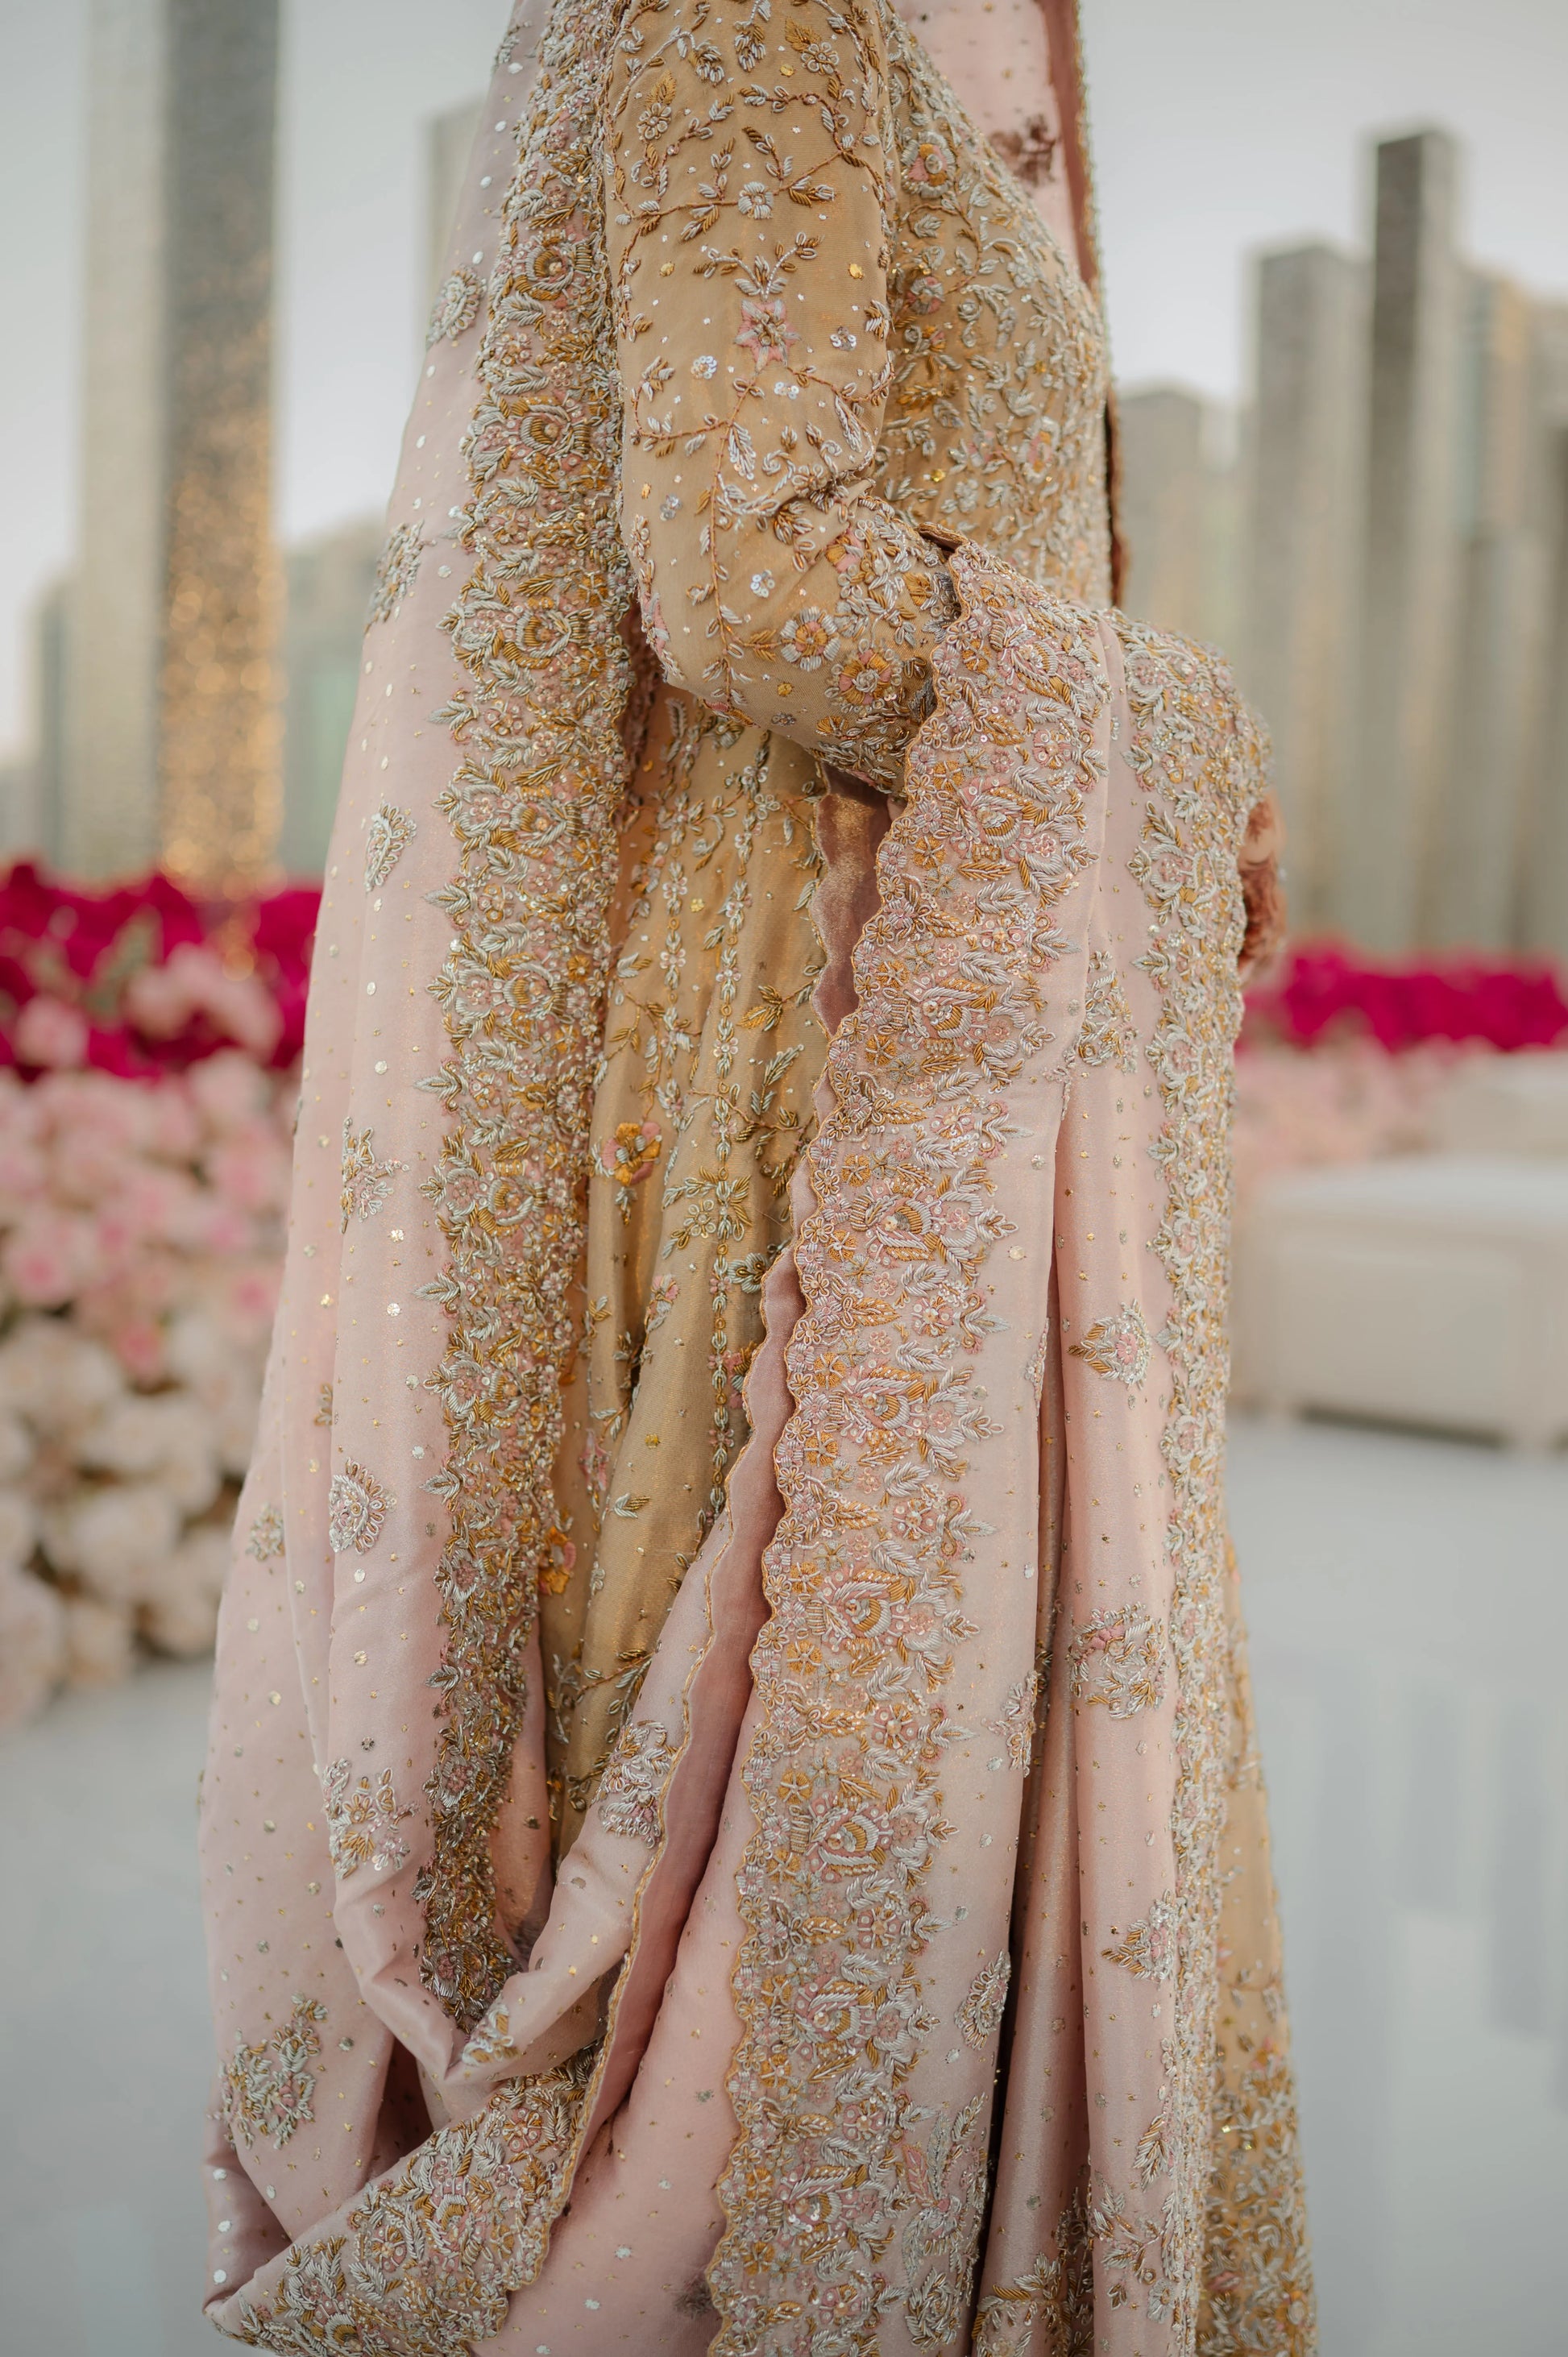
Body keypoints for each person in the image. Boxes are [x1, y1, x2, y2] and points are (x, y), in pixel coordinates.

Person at [199, 2, 1310, 2350]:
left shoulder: (1002, 78)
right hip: (806, 1076)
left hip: (922, 1031)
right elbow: (748, 579)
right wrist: (1168, 734)